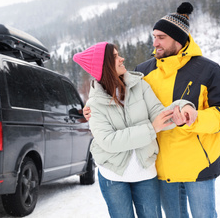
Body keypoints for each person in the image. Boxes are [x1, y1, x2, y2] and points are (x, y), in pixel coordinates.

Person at [84, 2, 220, 218]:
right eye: (154, 36)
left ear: (178, 39)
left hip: (198, 165)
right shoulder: (143, 71)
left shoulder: (208, 69)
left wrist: (195, 118)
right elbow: (115, 96)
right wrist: (90, 108)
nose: (155, 43)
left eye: (161, 37)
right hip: (162, 167)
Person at [73, 42, 197, 218]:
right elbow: (109, 141)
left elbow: (159, 114)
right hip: (113, 176)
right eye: (115, 57)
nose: (122, 58)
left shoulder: (140, 86)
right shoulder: (94, 105)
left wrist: (183, 107)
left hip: (145, 172)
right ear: (104, 65)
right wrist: (151, 129)